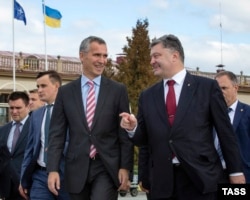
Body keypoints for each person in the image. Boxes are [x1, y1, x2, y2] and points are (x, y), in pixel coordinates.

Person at [120, 34, 245, 200]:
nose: (151, 61)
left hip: (200, 179)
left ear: (174, 56)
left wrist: (235, 171)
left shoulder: (206, 88)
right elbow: (144, 142)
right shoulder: (147, 96)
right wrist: (133, 128)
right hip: (162, 182)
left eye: (156, 56)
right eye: (151, 57)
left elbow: (225, 133)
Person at [47, 36, 133, 200]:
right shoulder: (65, 93)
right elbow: (56, 134)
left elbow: (124, 133)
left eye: (105, 56)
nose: (102, 60)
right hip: (76, 168)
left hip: (106, 167)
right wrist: (53, 169)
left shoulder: (118, 91)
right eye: (97, 55)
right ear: (82, 56)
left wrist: (125, 167)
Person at [19, 70, 69, 200]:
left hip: (67, 176)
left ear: (56, 86)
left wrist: (57, 148)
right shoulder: (36, 115)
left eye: (43, 86)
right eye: (38, 86)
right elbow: (30, 149)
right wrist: (23, 179)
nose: (39, 90)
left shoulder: (71, 111)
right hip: (40, 176)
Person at [215, 70, 250, 183]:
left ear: (236, 88)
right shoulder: (208, 114)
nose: (220, 92)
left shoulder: (247, 113)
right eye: (217, 89)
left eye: (224, 88)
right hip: (211, 176)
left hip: (241, 177)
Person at [0, 91, 30, 200]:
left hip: (27, 186)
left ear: (27, 106)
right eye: (11, 108)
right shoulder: (3, 130)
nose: (14, 111)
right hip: (7, 187)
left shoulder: (35, 128)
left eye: (18, 108)